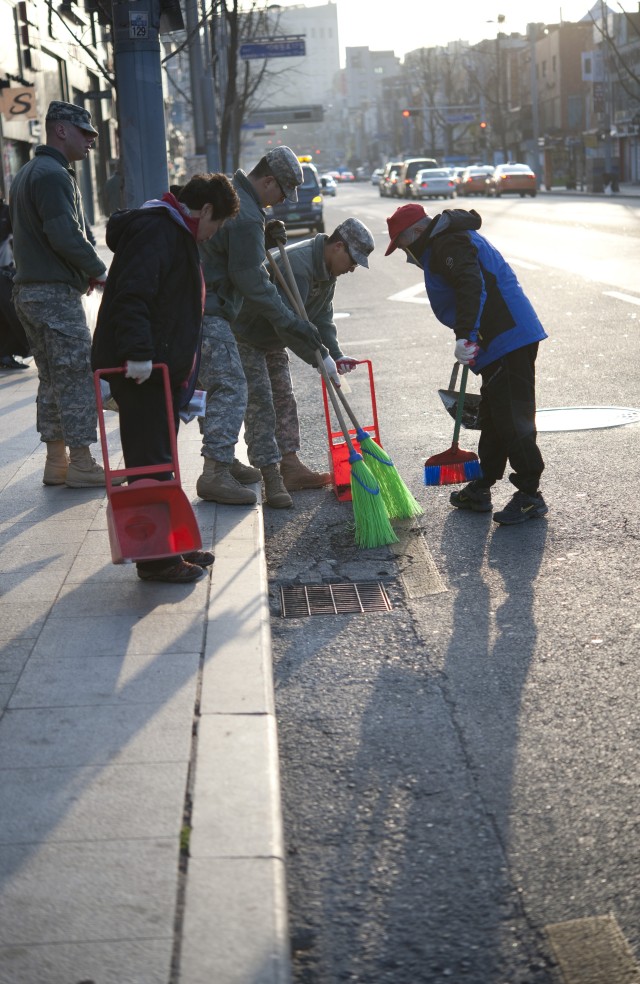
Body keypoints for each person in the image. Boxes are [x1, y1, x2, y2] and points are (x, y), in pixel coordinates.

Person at [91, 172, 240, 583]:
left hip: (158, 371)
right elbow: (132, 295)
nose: (213, 234)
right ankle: (157, 560)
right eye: (217, 224)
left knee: (162, 460)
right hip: (140, 371)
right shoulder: (159, 229)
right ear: (205, 209)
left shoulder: (172, 229)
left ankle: (173, 543)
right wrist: (138, 355)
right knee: (150, 464)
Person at [385, 202, 548, 526]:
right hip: (498, 339)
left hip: (508, 337)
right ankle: (482, 486)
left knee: (514, 419)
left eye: (403, 245)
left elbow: (472, 285)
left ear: (415, 233)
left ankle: (531, 495)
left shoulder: (447, 242)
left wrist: (466, 335)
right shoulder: (445, 239)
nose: (406, 255)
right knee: (495, 415)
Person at [195, 146, 325, 508]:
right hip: (212, 310)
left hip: (209, 305)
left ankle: (231, 464)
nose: (281, 201)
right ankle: (220, 472)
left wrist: (261, 240)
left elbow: (234, 255)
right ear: (268, 180)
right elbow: (252, 281)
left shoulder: (240, 201)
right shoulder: (247, 214)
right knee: (236, 389)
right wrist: (291, 322)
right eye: (281, 192)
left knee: (228, 389)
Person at [233, 218, 375, 508]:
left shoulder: (327, 271)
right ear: (338, 246)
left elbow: (321, 317)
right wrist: (318, 357)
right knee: (261, 402)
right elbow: (286, 324)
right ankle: (271, 476)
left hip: (273, 338)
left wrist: (333, 353)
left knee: (284, 398)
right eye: (353, 261)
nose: (352, 269)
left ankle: (290, 466)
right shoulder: (298, 265)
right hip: (247, 332)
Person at [9, 99, 111, 487]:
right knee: (76, 379)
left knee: (51, 379)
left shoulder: (29, 172)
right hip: (53, 298)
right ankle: (82, 463)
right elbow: (64, 234)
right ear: (61, 130)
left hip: (31, 295)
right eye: (85, 133)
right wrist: (97, 271)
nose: (90, 141)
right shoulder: (52, 175)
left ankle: (57, 461)